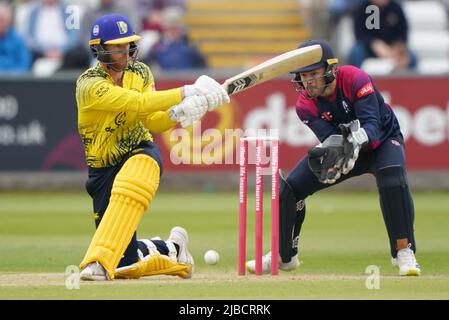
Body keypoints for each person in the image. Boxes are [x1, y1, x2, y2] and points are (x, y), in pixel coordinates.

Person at [246, 39, 420, 277]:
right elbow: (330, 138)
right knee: (289, 188)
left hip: (381, 142)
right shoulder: (304, 105)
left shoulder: (356, 79)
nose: (307, 81)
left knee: (392, 177)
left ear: (330, 69)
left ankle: (404, 252)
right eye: (303, 76)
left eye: (313, 74)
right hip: (345, 150)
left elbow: (373, 125)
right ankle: (283, 255)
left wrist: (355, 142)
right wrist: (337, 153)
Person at [75, 13, 229, 280]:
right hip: (102, 170)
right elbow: (135, 104)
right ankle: (173, 250)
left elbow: (151, 122)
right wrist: (186, 92)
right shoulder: (89, 84)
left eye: (127, 44)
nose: (125, 51)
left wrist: (176, 115)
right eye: (117, 46)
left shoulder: (141, 71)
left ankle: (98, 262)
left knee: (130, 185)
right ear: (99, 49)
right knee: (124, 263)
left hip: (139, 152)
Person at [348, 0, 416, 71]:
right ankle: (356, 79)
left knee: (412, 56)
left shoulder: (396, 8)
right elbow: (359, 35)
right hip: (369, 49)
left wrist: (396, 50)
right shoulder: (362, 8)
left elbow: (403, 35)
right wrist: (374, 44)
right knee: (356, 51)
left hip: (393, 50)